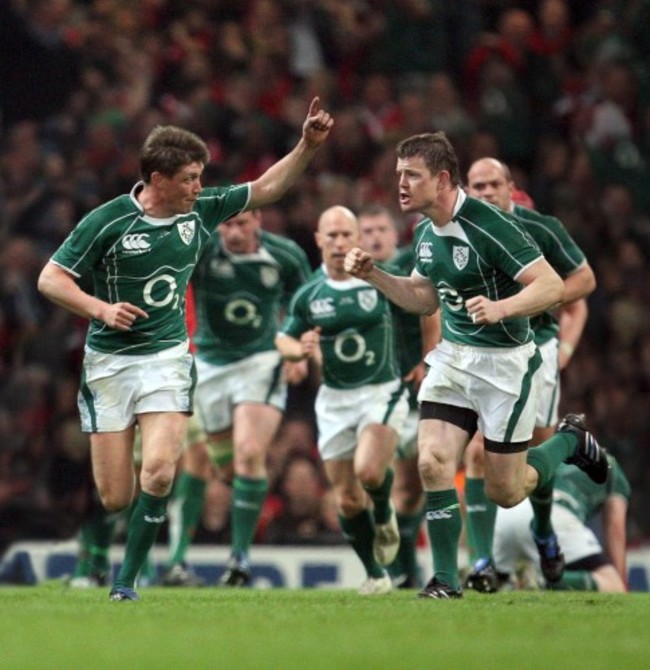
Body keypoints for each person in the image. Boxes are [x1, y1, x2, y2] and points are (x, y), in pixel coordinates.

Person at [36, 98, 333, 602]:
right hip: (108, 363)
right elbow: (50, 278)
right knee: (115, 494)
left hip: (168, 358)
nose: (199, 186)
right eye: (190, 178)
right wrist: (100, 309)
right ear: (157, 178)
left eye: (201, 176)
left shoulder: (200, 211)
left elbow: (265, 188)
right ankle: (100, 550)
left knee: (160, 469)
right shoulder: (107, 221)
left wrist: (306, 146)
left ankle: (125, 583)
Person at [344, 131, 609, 599]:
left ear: (442, 178)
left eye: (412, 175)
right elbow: (424, 299)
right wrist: (376, 276)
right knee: (432, 462)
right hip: (453, 359)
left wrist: (503, 308)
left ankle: (568, 441)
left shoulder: (490, 225)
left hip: (505, 364)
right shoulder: (426, 229)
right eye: (398, 174)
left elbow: (550, 286)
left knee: (505, 492)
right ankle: (446, 579)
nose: (400, 183)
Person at [462, 157, 597, 592]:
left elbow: (584, 280)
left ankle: (542, 528)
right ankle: (482, 560)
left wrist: (537, 301)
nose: (485, 193)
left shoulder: (541, 227)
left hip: (536, 347)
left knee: (531, 453)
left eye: (492, 185)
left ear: (510, 187)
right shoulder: (459, 228)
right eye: (476, 186)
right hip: (483, 350)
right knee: (479, 451)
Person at [163, 206, 312, 587]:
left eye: (242, 223)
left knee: (249, 452)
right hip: (209, 363)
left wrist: (296, 346)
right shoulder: (204, 250)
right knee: (208, 464)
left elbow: (305, 302)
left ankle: (240, 559)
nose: (233, 233)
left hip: (260, 361)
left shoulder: (285, 255)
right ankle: (177, 562)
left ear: (259, 221)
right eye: (227, 224)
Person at [275, 205, 409, 596]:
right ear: (318, 240)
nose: (338, 243)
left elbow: (422, 306)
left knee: (370, 472)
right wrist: (299, 350)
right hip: (334, 399)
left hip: (380, 390)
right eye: (330, 235)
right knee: (347, 498)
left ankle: (384, 512)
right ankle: (375, 574)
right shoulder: (309, 294)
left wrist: (427, 352)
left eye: (345, 235)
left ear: (358, 240)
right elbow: (283, 338)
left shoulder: (378, 280)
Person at [357, 204, 440, 588]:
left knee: (412, 482)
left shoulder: (410, 262)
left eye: (380, 230)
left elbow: (430, 310)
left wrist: (427, 358)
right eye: (367, 230)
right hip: (375, 388)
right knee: (386, 479)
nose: (374, 237)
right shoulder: (351, 274)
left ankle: (406, 568)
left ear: (394, 235)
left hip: (415, 382)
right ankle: (405, 567)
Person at [493, 454, 630, 592]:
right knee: (613, 584)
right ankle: (538, 578)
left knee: (493, 580)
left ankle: (504, 578)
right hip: (553, 513)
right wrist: (621, 582)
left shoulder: (545, 450)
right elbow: (615, 527)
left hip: (505, 512)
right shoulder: (610, 464)